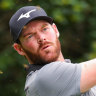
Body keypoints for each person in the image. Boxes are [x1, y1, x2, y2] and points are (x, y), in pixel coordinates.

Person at [9, 6, 96, 96]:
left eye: (44, 29)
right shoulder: (43, 79)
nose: (41, 38)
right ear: (19, 49)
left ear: (55, 30)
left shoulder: (81, 79)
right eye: (30, 36)